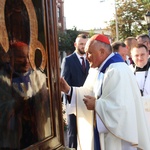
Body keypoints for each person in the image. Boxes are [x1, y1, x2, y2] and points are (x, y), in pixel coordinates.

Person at [60, 34, 150, 150]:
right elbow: (89, 93)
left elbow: (121, 109)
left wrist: (97, 105)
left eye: (90, 53)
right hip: (104, 137)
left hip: (118, 141)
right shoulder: (98, 70)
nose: (87, 57)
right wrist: (68, 90)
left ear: (102, 52)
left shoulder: (117, 70)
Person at [0, 41, 50, 149]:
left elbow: (46, 109)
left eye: (29, 56)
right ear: (10, 58)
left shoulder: (38, 77)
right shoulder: (2, 80)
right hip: (13, 139)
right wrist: (15, 105)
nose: (26, 61)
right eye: (21, 57)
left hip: (37, 136)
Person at [61, 34, 89, 149]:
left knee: (87, 133)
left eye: (85, 44)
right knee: (73, 134)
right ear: (75, 45)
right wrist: (67, 103)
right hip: (73, 104)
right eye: (81, 44)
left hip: (88, 103)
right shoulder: (68, 60)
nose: (83, 46)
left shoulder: (90, 60)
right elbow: (64, 84)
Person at [130, 44, 150, 126]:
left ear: (148, 54)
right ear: (131, 56)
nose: (140, 58)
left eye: (142, 54)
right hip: (133, 115)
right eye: (136, 55)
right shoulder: (127, 71)